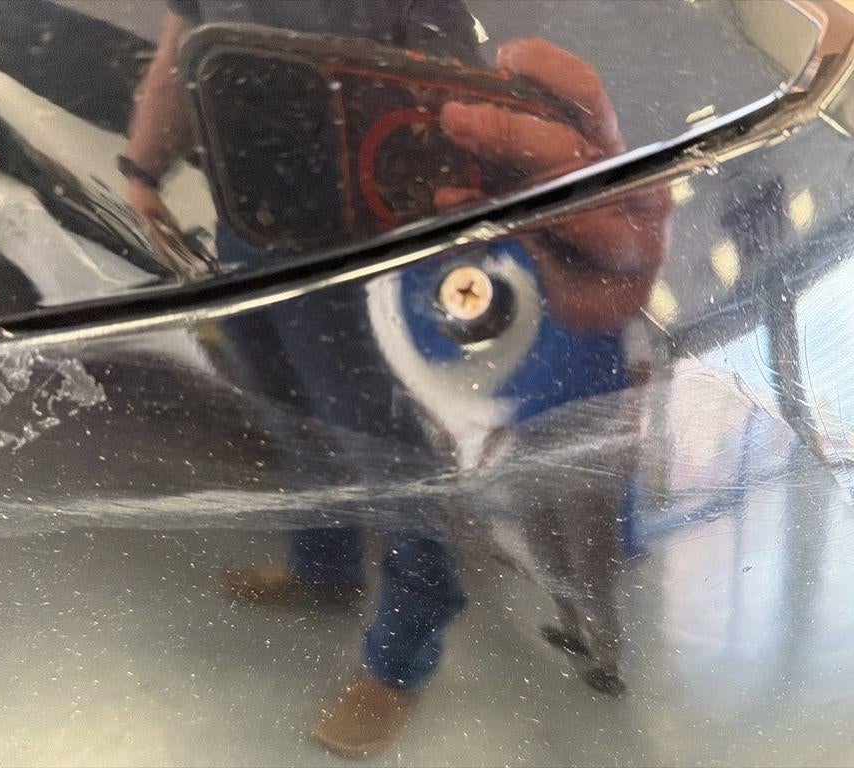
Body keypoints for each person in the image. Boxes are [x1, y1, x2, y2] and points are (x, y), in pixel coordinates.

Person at [123, 1, 668, 757]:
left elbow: (454, 102)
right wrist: (142, 168)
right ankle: (325, 566)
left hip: (365, 249)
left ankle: (403, 650)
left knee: (386, 457)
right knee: (290, 415)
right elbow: (183, 48)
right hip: (248, 225)